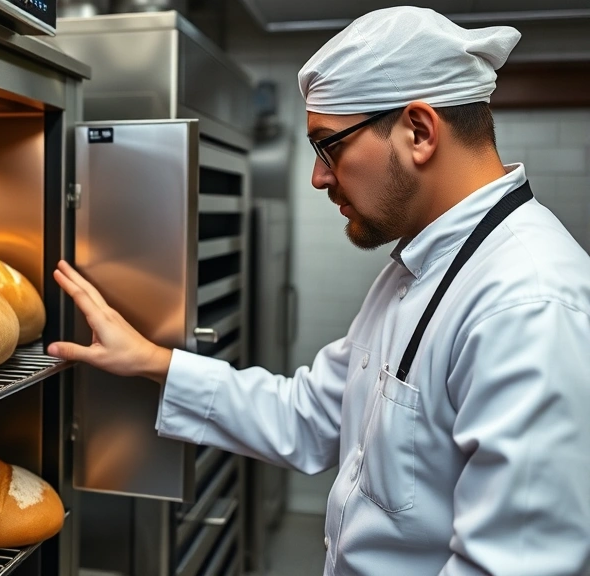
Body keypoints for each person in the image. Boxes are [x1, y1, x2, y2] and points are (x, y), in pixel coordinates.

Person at [47, 6, 590, 576]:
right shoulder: (418, 268)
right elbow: (310, 416)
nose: (318, 177)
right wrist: (153, 361)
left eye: (329, 145)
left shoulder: (530, 304)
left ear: (419, 131)